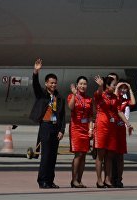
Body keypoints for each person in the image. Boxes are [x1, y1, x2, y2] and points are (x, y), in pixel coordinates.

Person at [30, 58, 66, 189]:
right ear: (46, 84)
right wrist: (36, 72)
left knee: (53, 156)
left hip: (56, 127)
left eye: (55, 83)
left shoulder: (59, 98)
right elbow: (35, 85)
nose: (53, 85)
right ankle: (42, 180)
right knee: (45, 155)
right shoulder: (42, 95)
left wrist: (62, 130)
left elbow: (62, 116)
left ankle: (50, 180)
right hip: (45, 126)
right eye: (51, 83)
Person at [93, 76, 131, 188]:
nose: (115, 87)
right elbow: (98, 93)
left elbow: (119, 111)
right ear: (107, 86)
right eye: (114, 85)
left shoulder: (115, 97)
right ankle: (99, 180)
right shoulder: (100, 95)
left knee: (110, 155)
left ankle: (107, 179)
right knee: (100, 155)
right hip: (101, 126)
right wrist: (100, 86)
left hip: (112, 127)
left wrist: (128, 124)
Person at [67, 76, 92, 188]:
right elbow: (71, 107)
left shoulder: (88, 99)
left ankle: (79, 179)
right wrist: (74, 94)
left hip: (85, 129)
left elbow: (90, 116)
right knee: (78, 154)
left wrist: (91, 129)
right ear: (77, 85)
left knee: (84, 155)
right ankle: (74, 180)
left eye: (84, 84)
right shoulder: (72, 96)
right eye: (81, 84)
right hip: (76, 128)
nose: (82, 86)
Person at [113, 79, 136, 188]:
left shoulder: (125, 100)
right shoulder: (113, 98)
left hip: (121, 129)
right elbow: (114, 102)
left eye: (124, 88)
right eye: (121, 88)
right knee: (111, 155)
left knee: (120, 156)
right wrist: (117, 88)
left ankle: (119, 178)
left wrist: (130, 88)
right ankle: (111, 178)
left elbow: (133, 102)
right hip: (112, 129)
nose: (123, 90)